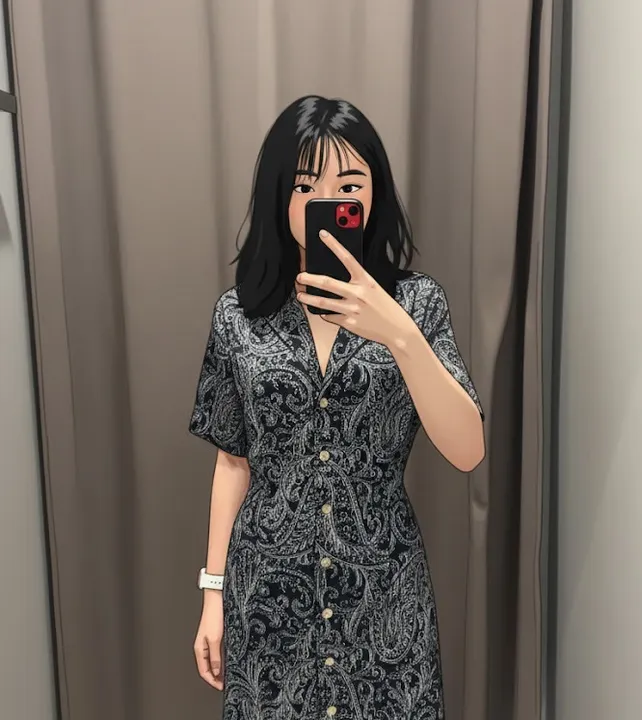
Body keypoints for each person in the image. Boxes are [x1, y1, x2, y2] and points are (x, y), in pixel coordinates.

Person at [189, 95, 486, 720]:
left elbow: (467, 451)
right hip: (267, 599)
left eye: (348, 186)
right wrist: (212, 595)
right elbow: (232, 462)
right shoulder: (237, 316)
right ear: (280, 196)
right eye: (306, 187)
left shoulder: (418, 305)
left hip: (385, 596)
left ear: (373, 195)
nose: (326, 202)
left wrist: (398, 334)